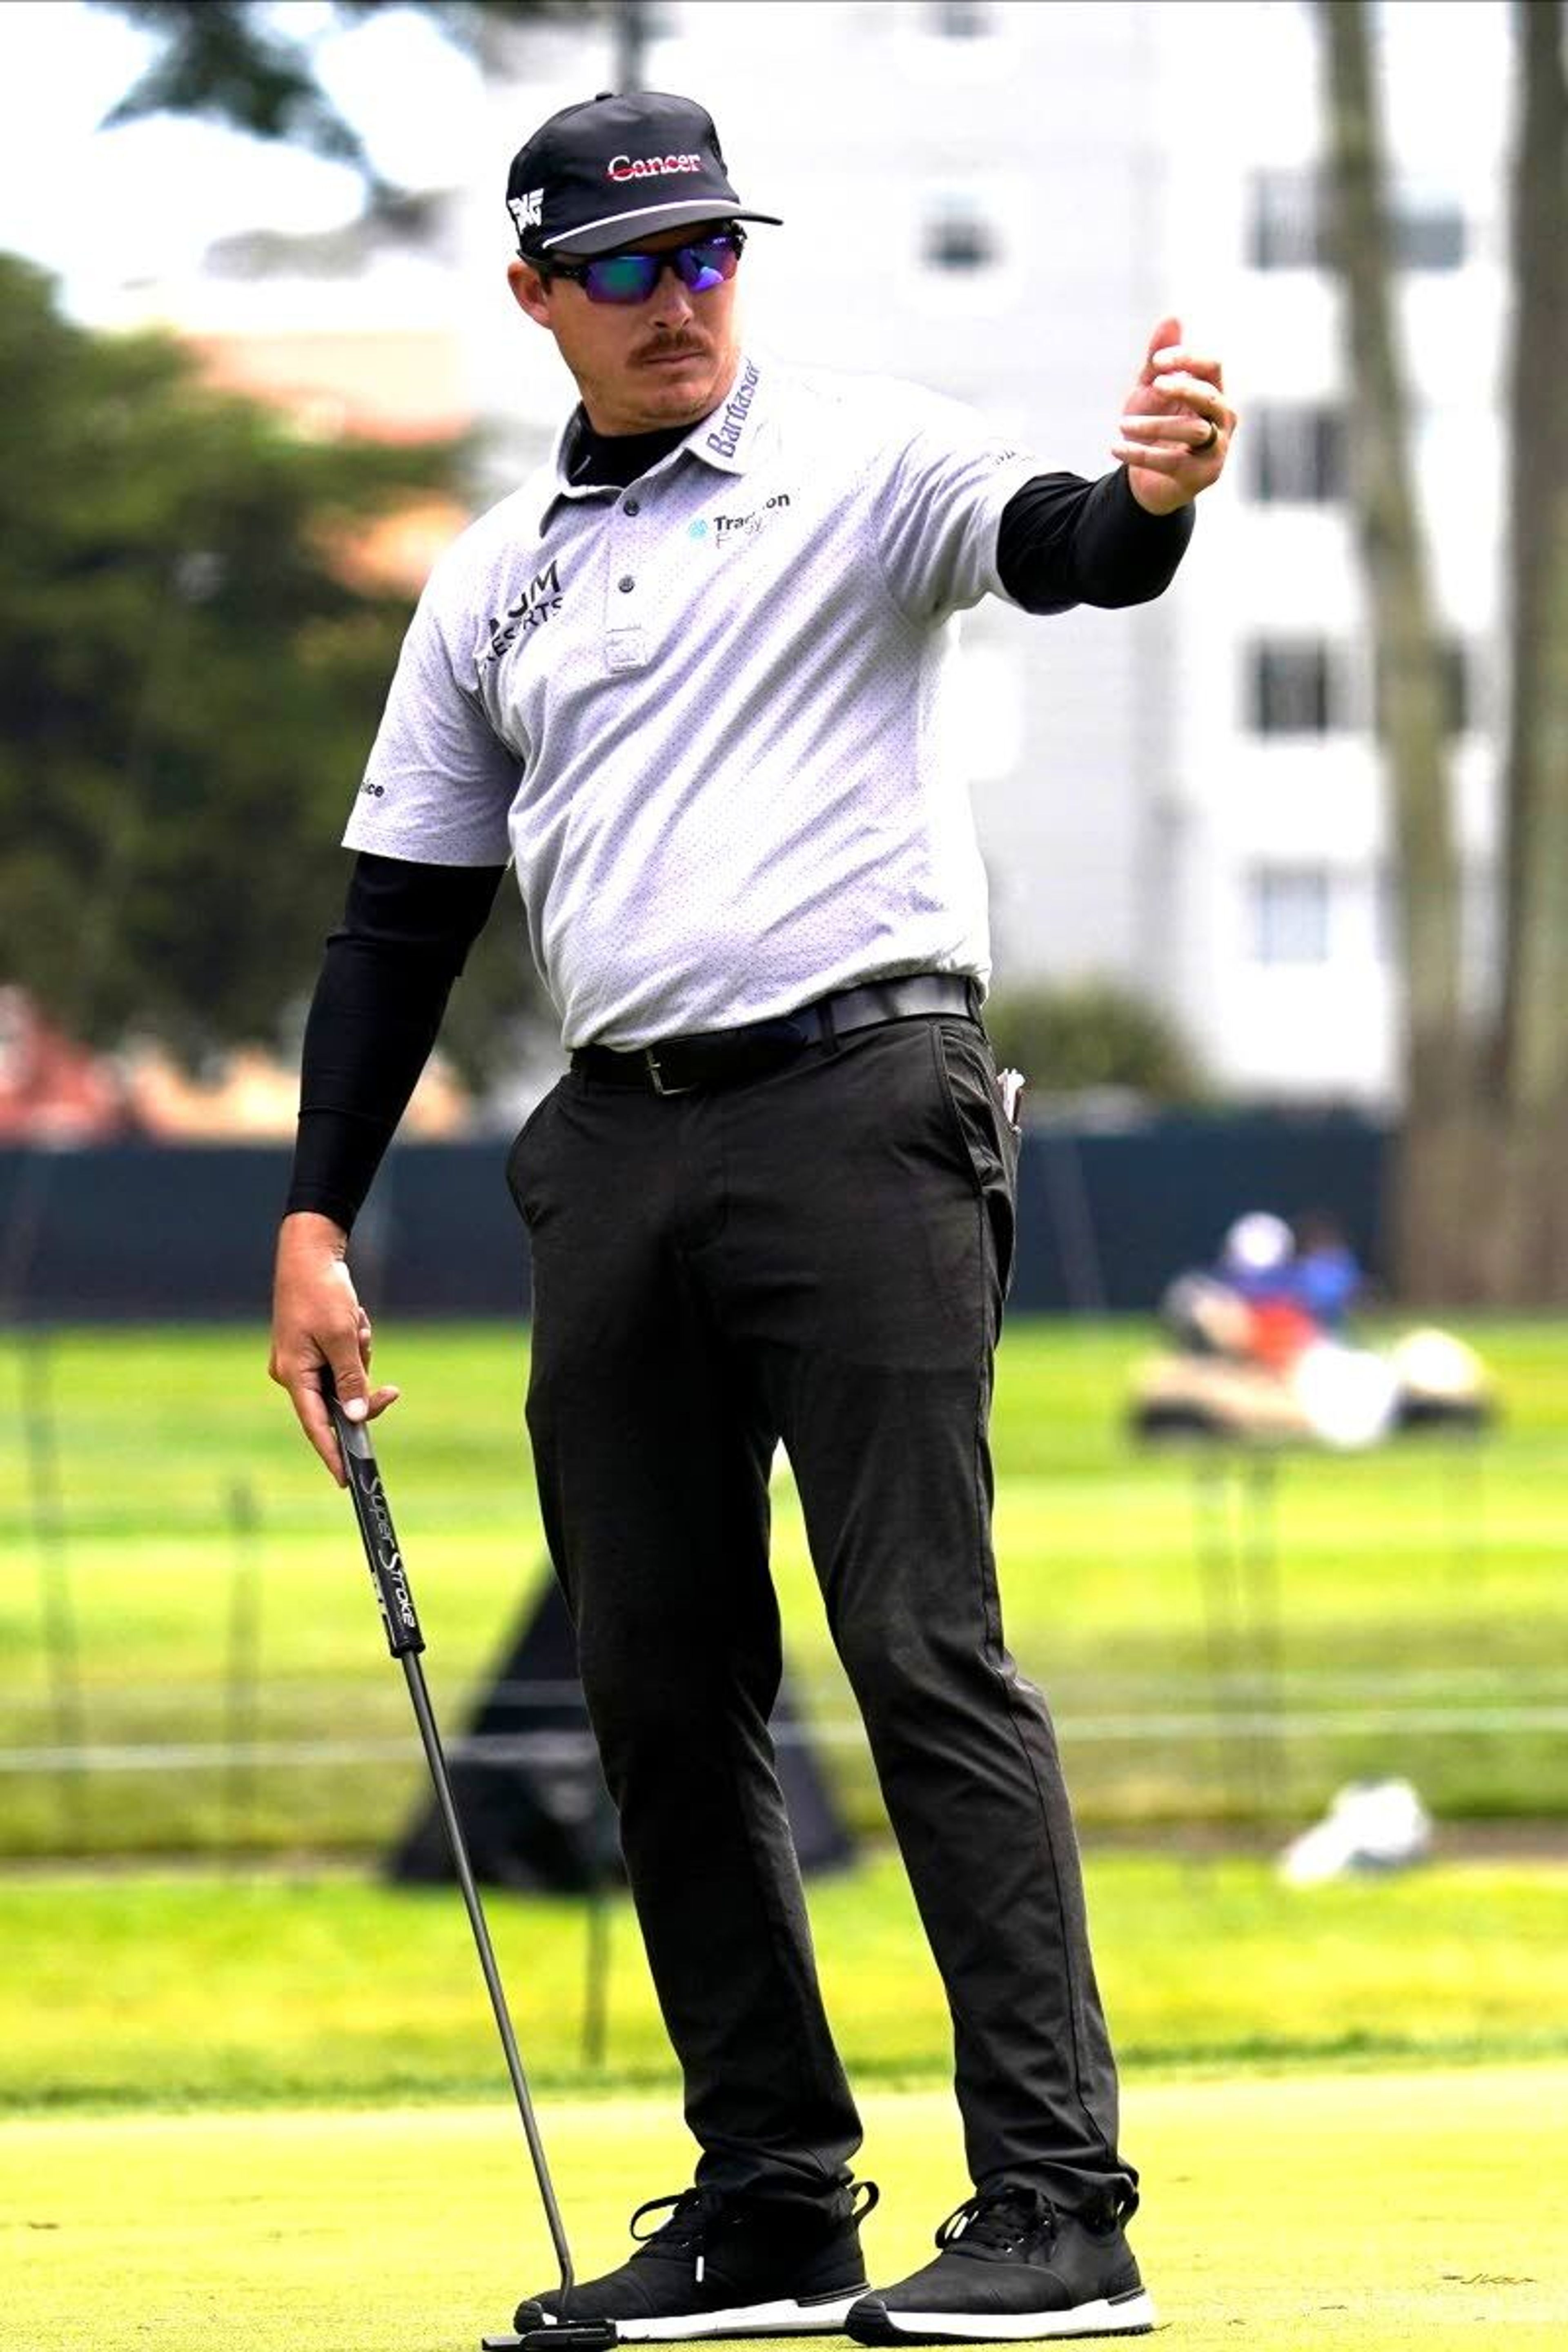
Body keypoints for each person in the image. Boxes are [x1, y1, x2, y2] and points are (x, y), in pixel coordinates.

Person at [269, 88, 1234, 2346]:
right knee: (653, 1677)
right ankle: (775, 2196)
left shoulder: (864, 457)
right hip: (617, 1145)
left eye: (705, 252)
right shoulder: (493, 578)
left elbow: (1067, 537)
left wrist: (1161, 498)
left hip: (865, 1105)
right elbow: (398, 919)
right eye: (624, 267)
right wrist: (315, 1219)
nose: (677, 295)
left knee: (919, 1642)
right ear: (539, 298)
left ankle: (1058, 2206)